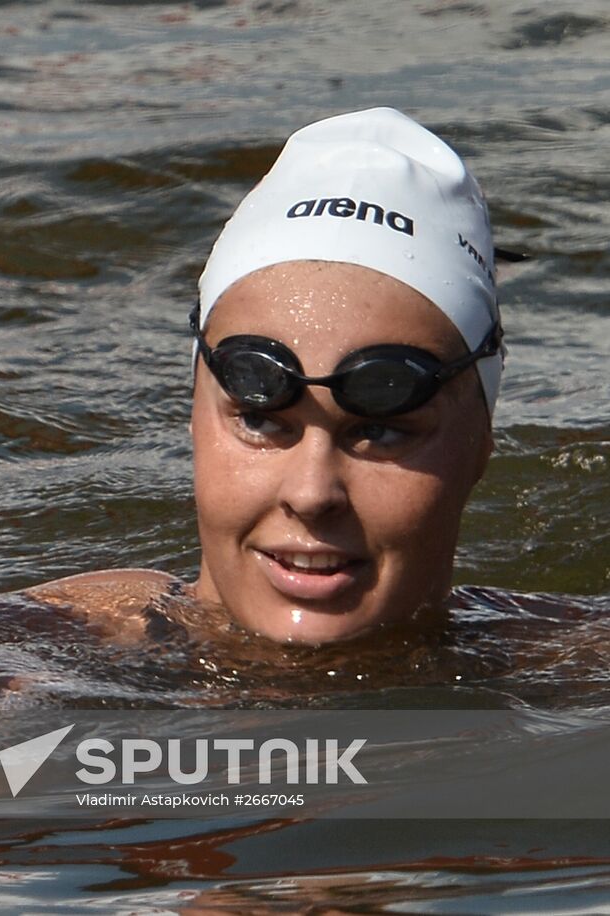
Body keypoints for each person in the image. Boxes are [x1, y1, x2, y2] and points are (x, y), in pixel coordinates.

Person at [30, 107, 505, 646]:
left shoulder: (571, 675)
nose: (311, 494)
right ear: (194, 418)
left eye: (381, 429)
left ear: (481, 443)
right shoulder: (12, 655)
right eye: (258, 420)